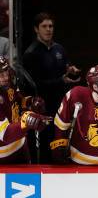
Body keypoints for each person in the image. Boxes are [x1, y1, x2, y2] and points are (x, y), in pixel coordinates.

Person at [23, 12, 80, 162]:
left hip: (61, 105)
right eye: (44, 26)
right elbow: (33, 85)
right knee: (45, 145)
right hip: (43, 107)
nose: (48, 29)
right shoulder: (31, 53)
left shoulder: (59, 49)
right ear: (36, 29)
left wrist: (70, 70)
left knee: (62, 142)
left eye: (51, 26)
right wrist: (61, 80)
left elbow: (65, 67)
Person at [0, 57, 49, 163]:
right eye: (0, 74)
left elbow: (17, 100)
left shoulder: (7, 84)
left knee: (29, 179)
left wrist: (30, 102)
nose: (5, 77)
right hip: (3, 157)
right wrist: (25, 120)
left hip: (21, 147)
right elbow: (5, 135)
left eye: (5, 72)